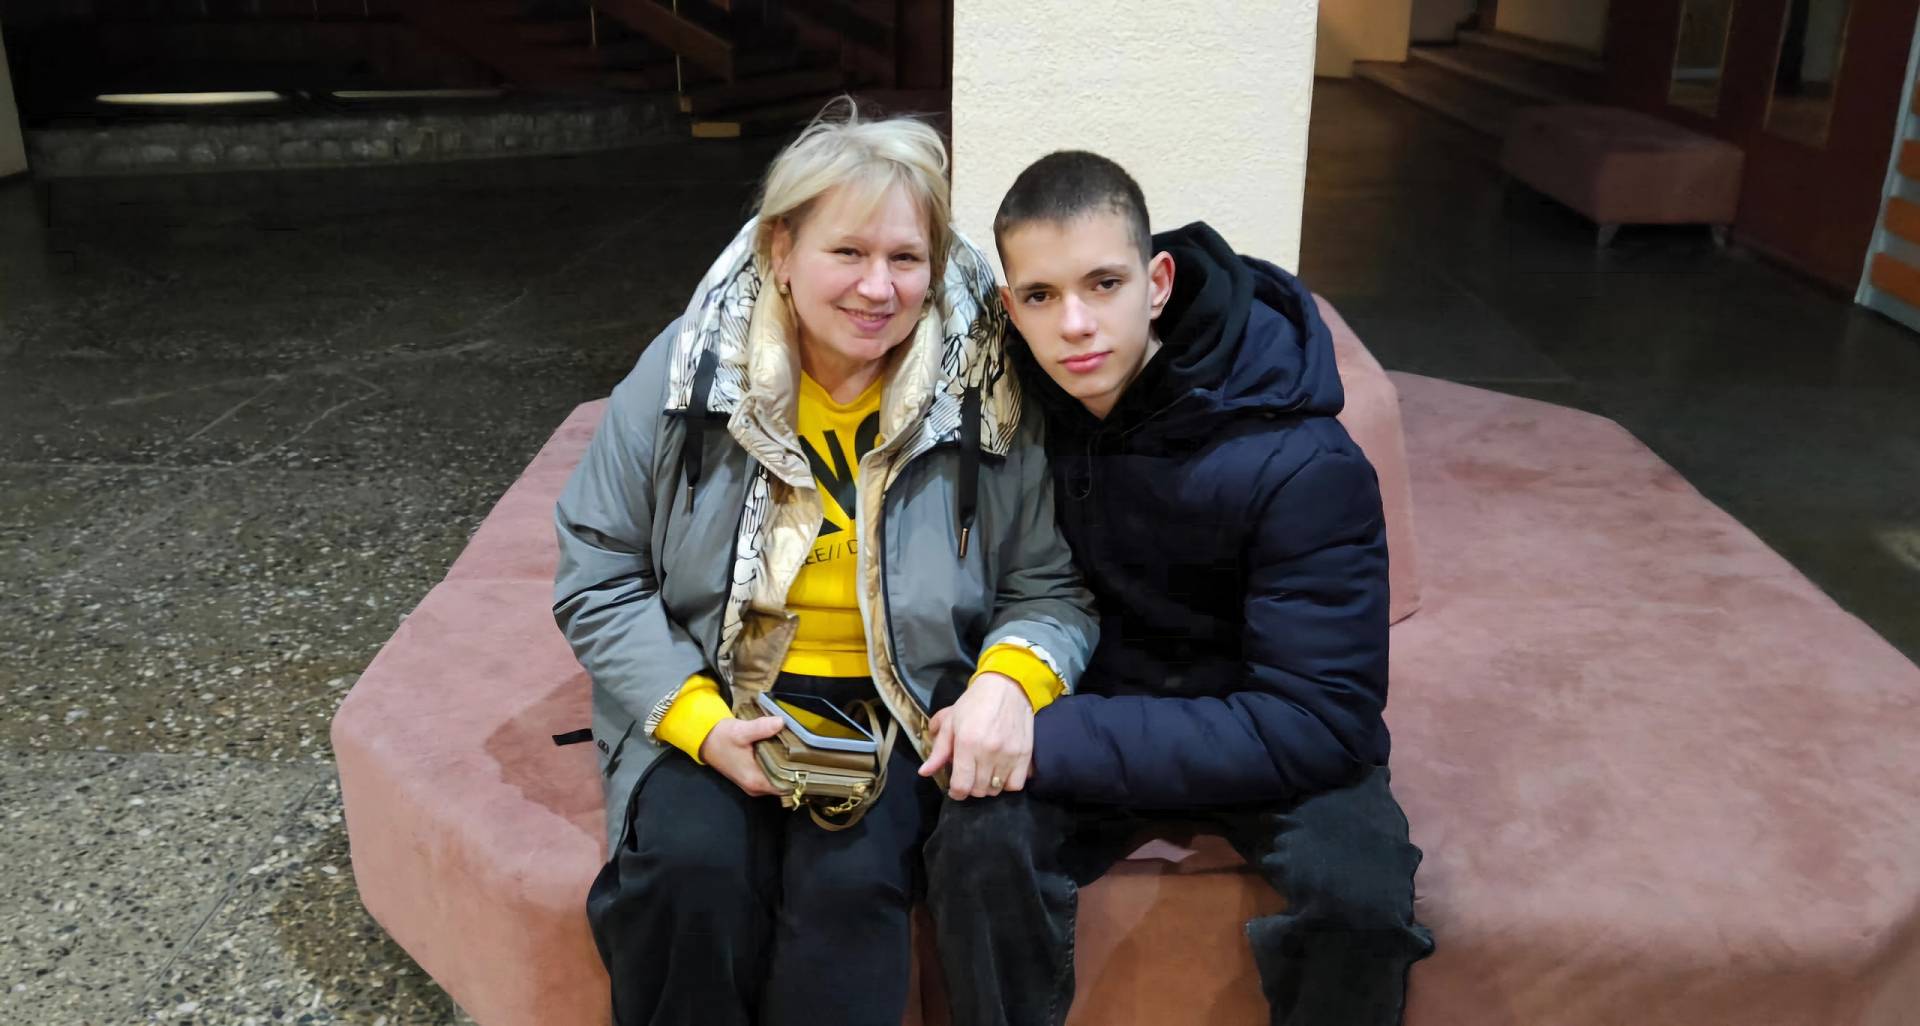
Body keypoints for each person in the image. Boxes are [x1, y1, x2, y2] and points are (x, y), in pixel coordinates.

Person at [552, 106, 1097, 1026]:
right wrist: (696, 723)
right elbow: (597, 572)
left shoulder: (987, 392)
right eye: (847, 252)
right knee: (688, 875)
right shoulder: (686, 372)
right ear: (782, 251)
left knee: (848, 902)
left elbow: (1050, 590)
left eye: (906, 258)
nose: (878, 288)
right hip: (717, 685)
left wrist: (1009, 681)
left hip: (901, 703)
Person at [922, 151, 1435, 1026]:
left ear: (1157, 283)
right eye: (1041, 296)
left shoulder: (1303, 460)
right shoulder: (1012, 414)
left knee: (1359, 898)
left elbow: (1321, 720)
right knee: (972, 845)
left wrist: (1048, 740)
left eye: (1104, 284)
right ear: (1010, 307)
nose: (1075, 324)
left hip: (1263, 719)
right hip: (1088, 690)